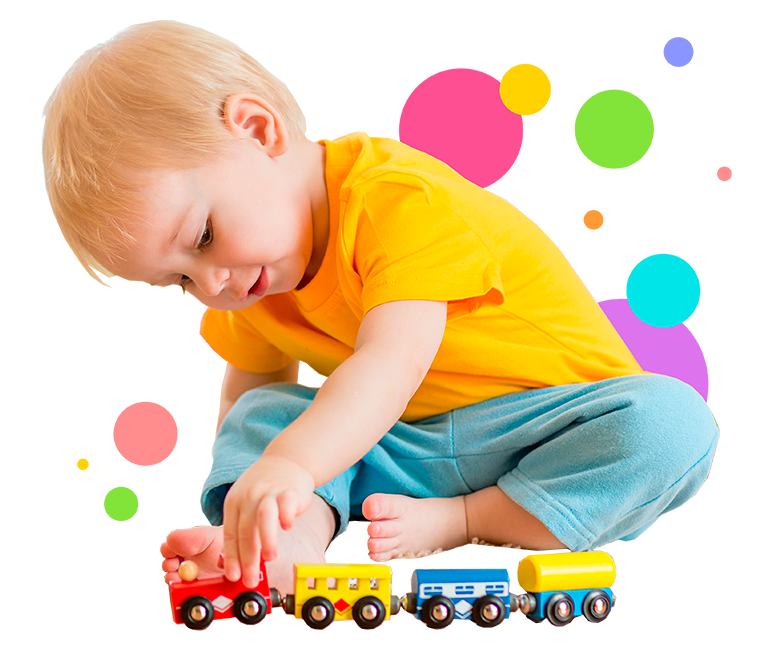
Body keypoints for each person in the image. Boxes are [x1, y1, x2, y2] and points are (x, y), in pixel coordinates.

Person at [43, 22, 718, 595]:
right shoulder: (248, 282)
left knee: (672, 423)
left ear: (257, 129)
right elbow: (256, 399)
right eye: (178, 281)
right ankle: (283, 544)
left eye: (202, 237)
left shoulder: (400, 201)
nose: (211, 283)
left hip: (548, 430)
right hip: (402, 451)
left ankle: (469, 518)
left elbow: (391, 363)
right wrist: (262, 489)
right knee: (258, 412)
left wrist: (292, 463)